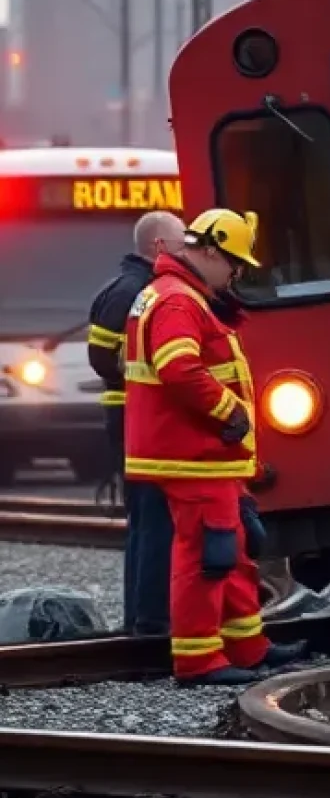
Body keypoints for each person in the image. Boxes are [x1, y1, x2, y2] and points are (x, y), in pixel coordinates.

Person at [123, 208, 307, 685]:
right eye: (233, 263)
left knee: (233, 548)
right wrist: (230, 411)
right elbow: (179, 368)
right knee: (207, 555)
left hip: (203, 455)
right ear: (208, 251)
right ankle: (199, 660)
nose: (236, 274)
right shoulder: (178, 302)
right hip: (192, 453)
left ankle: (248, 647)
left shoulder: (172, 296)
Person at [87, 209, 184, 635]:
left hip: (133, 415)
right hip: (132, 416)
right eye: (182, 244)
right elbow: (101, 356)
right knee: (151, 516)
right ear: (160, 247)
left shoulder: (133, 286)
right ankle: (150, 621)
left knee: (147, 519)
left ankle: (145, 618)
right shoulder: (132, 290)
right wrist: (140, 380)